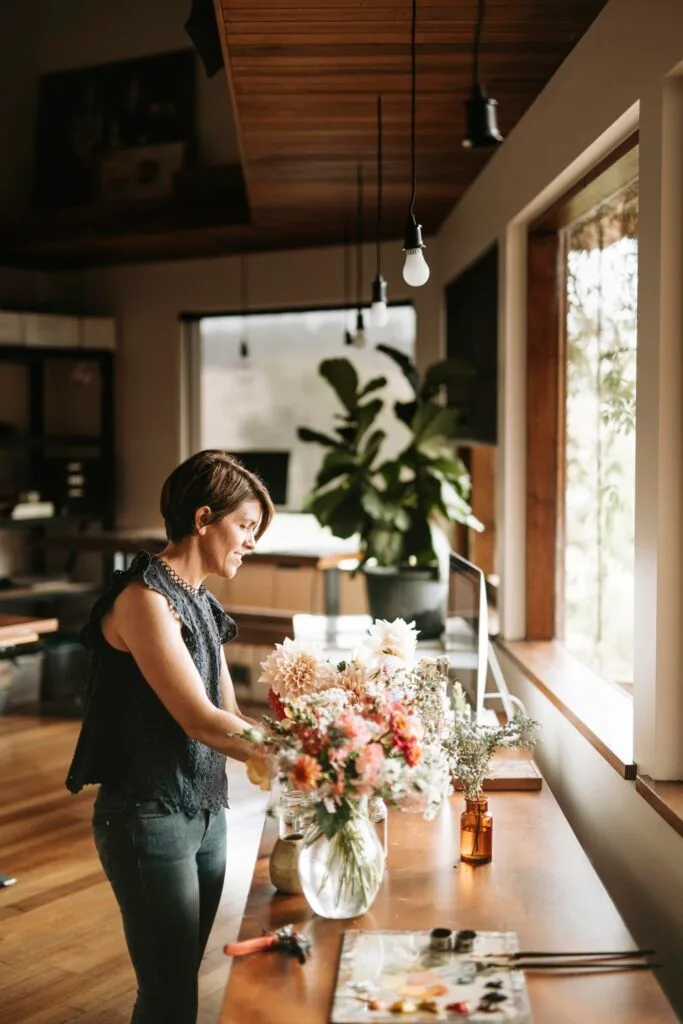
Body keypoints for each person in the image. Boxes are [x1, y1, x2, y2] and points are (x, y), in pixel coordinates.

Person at [65, 449, 275, 1024]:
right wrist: (311, 759)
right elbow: (201, 722)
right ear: (203, 519)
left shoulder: (201, 602)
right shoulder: (143, 599)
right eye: (245, 526)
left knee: (179, 982)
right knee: (169, 995)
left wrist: (306, 744)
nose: (252, 542)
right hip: (146, 817)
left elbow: (229, 712)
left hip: (205, 810)